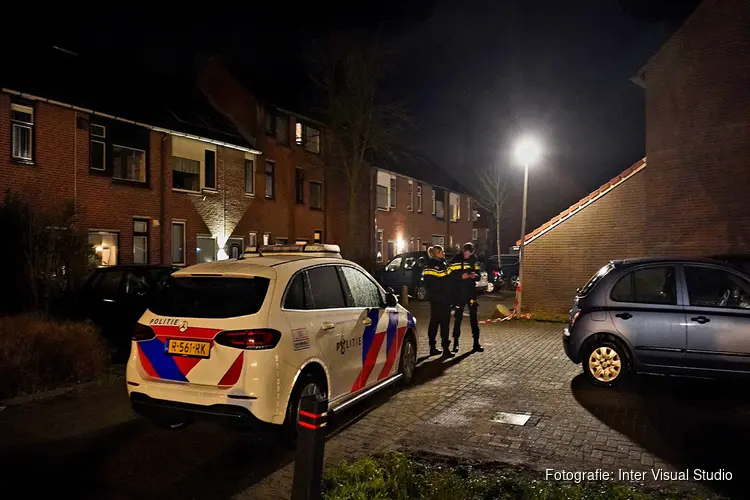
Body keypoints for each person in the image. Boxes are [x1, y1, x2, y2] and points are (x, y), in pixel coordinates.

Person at [448, 242, 483, 353]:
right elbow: (448, 273)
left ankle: (476, 343)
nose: (467, 256)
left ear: (472, 252)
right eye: (465, 254)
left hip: (471, 293)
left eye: (469, 254)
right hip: (459, 294)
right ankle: (455, 343)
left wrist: (474, 276)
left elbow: (478, 275)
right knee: (458, 318)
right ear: (463, 251)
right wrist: (460, 276)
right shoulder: (456, 259)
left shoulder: (475, 259)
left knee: (474, 318)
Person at [423, 245, 454, 358]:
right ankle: (445, 349)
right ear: (438, 253)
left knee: (434, 322)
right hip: (442, 300)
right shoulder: (438, 265)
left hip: (436, 299)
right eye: (443, 252)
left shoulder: (431, 265)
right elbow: (445, 283)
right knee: (444, 324)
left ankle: (433, 347)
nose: (444, 254)